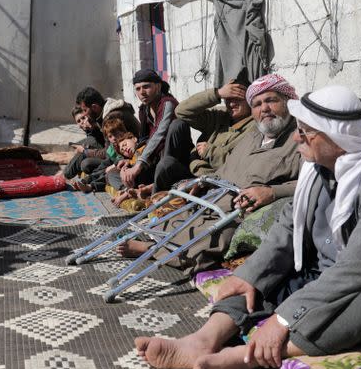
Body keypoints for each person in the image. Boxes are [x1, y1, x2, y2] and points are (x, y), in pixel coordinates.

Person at [134, 85, 361, 369]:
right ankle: (203, 340)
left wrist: (283, 319)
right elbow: (287, 230)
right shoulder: (318, 167)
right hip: (323, 275)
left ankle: (241, 358)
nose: (297, 138)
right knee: (255, 279)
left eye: (306, 132)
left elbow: (358, 270)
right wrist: (246, 276)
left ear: (339, 139)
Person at [118, 73, 301, 273]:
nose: (264, 108)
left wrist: (271, 192)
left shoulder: (300, 139)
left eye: (271, 101)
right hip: (217, 196)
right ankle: (160, 240)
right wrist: (205, 182)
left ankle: (152, 250)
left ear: (288, 101)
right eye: (257, 104)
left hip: (242, 209)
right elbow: (227, 168)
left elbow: (313, 182)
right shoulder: (255, 134)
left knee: (214, 237)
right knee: (180, 213)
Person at [153, 76, 254, 192]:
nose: (231, 104)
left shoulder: (254, 129)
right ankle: (155, 201)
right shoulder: (220, 116)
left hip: (211, 179)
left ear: (249, 99)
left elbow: (239, 167)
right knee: (177, 125)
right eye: (228, 99)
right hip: (191, 167)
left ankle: (158, 198)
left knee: (165, 166)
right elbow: (181, 112)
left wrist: (210, 152)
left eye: (237, 98)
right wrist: (217, 93)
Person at [120, 69, 179, 190]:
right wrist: (131, 161)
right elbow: (144, 140)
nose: (142, 92)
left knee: (140, 173)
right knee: (119, 172)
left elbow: (159, 134)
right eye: (138, 89)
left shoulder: (168, 104)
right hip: (153, 159)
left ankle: (148, 189)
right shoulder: (144, 109)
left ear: (158, 86)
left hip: (171, 159)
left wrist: (138, 165)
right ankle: (134, 188)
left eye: (146, 87)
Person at [61, 106, 105, 181]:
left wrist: (92, 127)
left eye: (83, 118)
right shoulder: (89, 131)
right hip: (99, 157)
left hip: (108, 157)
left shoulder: (98, 125)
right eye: (78, 121)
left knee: (83, 152)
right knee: (85, 164)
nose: (82, 122)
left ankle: (64, 176)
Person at [75, 86, 140, 136]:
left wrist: (85, 151)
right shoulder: (106, 113)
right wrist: (93, 128)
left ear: (94, 107)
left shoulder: (111, 117)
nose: (84, 114)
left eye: (85, 110)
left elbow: (110, 150)